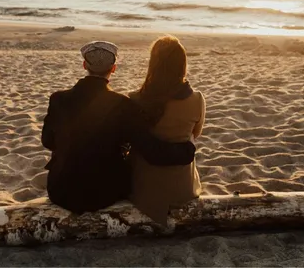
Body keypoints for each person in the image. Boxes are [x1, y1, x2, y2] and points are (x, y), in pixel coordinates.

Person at [41, 40, 197, 214]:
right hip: (103, 193)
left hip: (60, 191)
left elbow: (47, 141)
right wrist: (187, 150)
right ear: (113, 68)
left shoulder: (58, 99)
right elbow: (152, 151)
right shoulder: (122, 105)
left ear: (84, 65)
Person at [128, 35, 205, 226]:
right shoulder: (197, 99)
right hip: (183, 189)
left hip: (144, 191)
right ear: (182, 65)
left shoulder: (135, 99)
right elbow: (196, 133)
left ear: (153, 64)